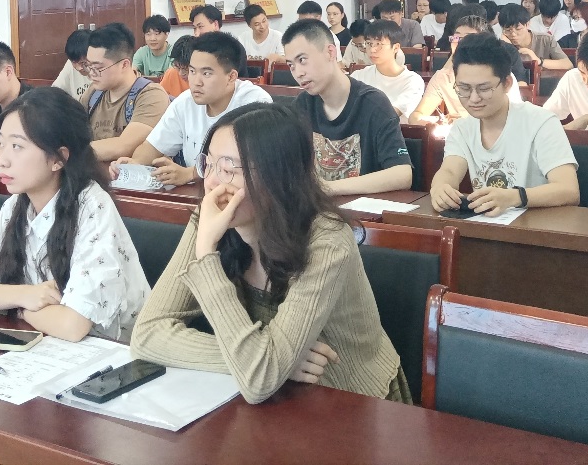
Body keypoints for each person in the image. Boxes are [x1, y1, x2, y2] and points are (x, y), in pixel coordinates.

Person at [130, 103, 409, 404]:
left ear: (278, 177)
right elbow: (146, 335)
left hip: (353, 401)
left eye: (228, 169)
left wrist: (268, 364)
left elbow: (261, 378)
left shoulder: (327, 240)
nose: (211, 183)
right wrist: (272, 362)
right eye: (208, 164)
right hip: (275, 396)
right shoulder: (210, 220)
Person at [0, 87, 149, 342]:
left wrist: (15, 307)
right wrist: (24, 295)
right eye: (1, 145)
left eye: (17, 146)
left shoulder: (92, 205)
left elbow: (72, 326)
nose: (2, 160)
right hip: (48, 344)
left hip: (116, 352)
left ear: (58, 158)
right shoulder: (17, 204)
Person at [430, 34, 579, 215]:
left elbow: (568, 189)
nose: (474, 98)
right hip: (491, 226)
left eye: (484, 89)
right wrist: (440, 188)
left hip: (538, 225)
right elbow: (450, 171)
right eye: (464, 88)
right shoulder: (462, 128)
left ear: (507, 84)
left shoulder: (541, 123)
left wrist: (514, 197)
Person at [117, 31, 271, 187]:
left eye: (206, 73)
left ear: (231, 77)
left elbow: (251, 163)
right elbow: (152, 147)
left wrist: (190, 173)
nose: (196, 81)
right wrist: (134, 165)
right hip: (200, 193)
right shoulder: (185, 102)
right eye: (192, 71)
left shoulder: (255, 103)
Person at [281, 19, 412, 193]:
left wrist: (327, 188)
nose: (298, 73)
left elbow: (403, 174)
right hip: (317, 206)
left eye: (302, 60)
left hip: (362, 208)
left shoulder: (373, 104)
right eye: (291, 65)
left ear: (330, 52)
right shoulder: (302, 105)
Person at [85, 23, 171, 161]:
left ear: (124, 64)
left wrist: (70, 152)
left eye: (98, 68)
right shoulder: (94, 93)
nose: (91, 73)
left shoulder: (151, 95)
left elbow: (123, 146)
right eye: (88, 66)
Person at [352, 20, 426, 123]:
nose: (372, 50)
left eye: (379, 44)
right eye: (369, 44)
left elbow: (390, 115)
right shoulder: (359, 76)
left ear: (396, 47)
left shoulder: (412, 81)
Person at [497, 3, 571, 71]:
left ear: (527, 24)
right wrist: (507, 47)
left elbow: (568, 64)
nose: (513, 34)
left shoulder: (546, 40)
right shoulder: (502, 45)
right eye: (508, 30)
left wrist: (539, 61)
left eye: (518, 29)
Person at [53, 29, 95, 100]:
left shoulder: (102, 69)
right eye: (74, 62)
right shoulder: (70, 63)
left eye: (83, 63)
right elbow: (56, 92)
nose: (79, 68)